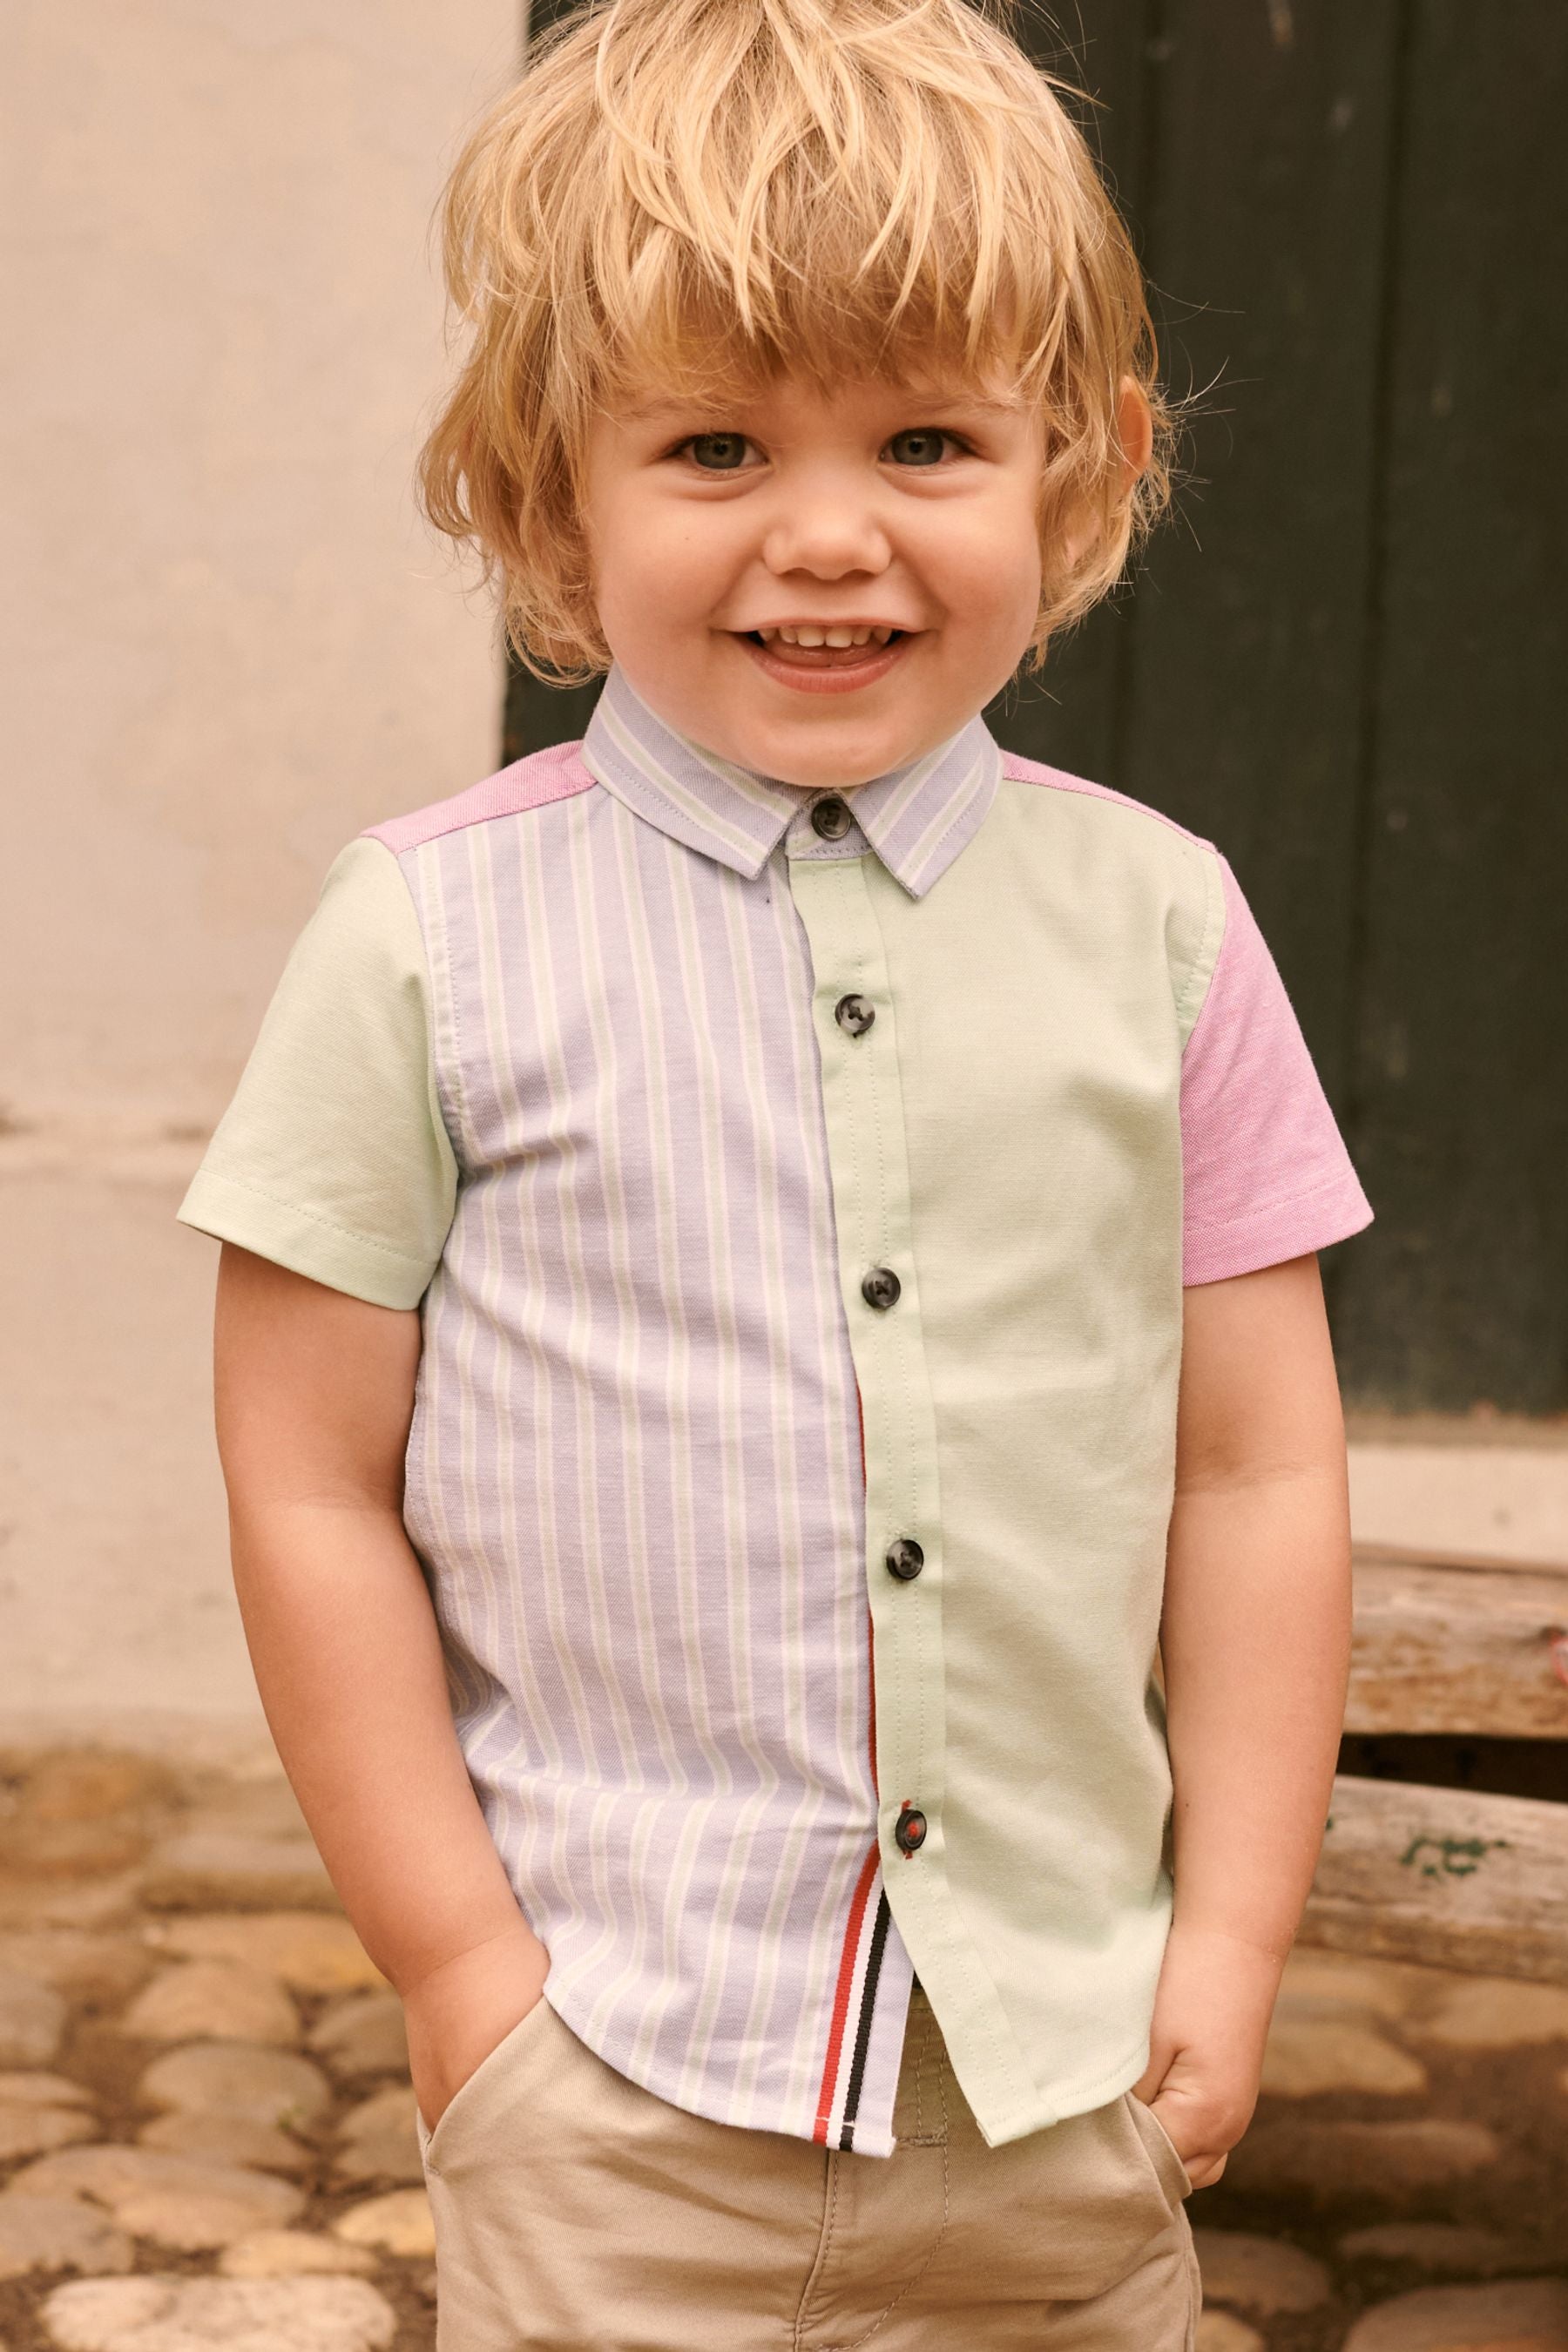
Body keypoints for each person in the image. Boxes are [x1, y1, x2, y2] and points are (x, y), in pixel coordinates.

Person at [176, 1, 1373, 2342]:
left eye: (927, 437)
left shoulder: (1168, 926)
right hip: (619, 2071)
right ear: (551, 495)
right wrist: (464, 1976)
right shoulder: (426, 936)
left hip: (1057, 2075)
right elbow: (307, 1476)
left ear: (1081, 466)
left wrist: (1222, 1938)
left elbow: (1254, 1467)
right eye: (716, 443)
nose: (828, 533)